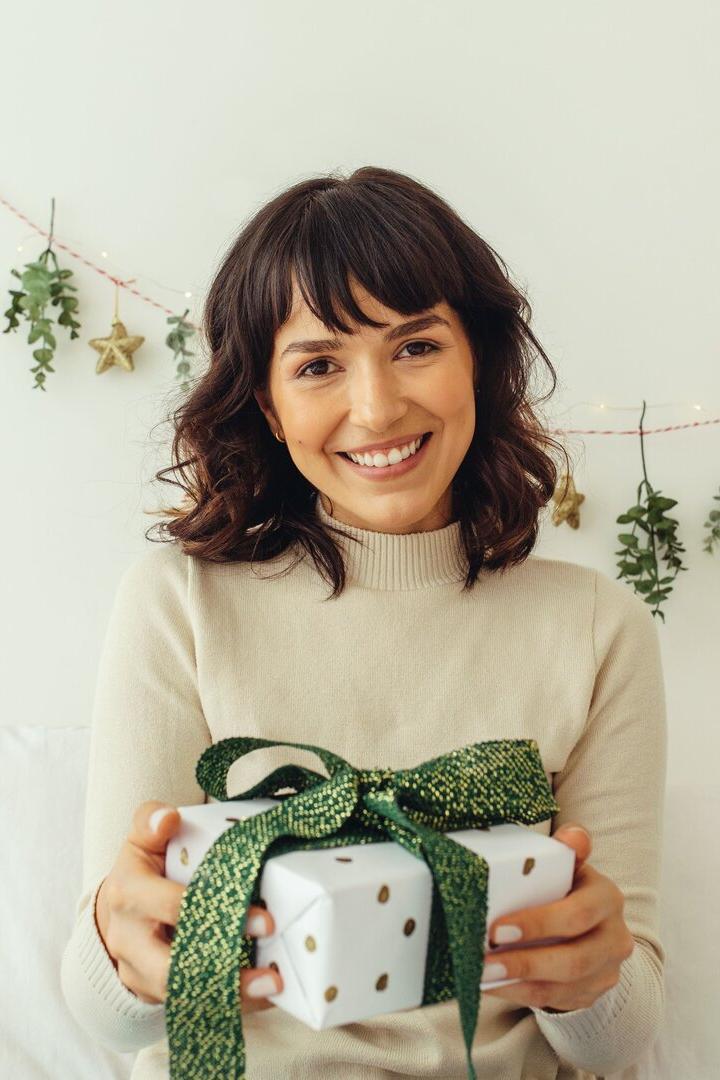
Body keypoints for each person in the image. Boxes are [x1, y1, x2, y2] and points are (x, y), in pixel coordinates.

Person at [60, 166, 667, 1080]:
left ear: (480, 359)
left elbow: (623, 1035)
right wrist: (125, 955)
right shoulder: (177, 603)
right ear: (266, 403)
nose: (378, 408)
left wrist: (589, 979)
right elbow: (108, 1021)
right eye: (317, 366)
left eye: (416, 345)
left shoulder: (598, 626)